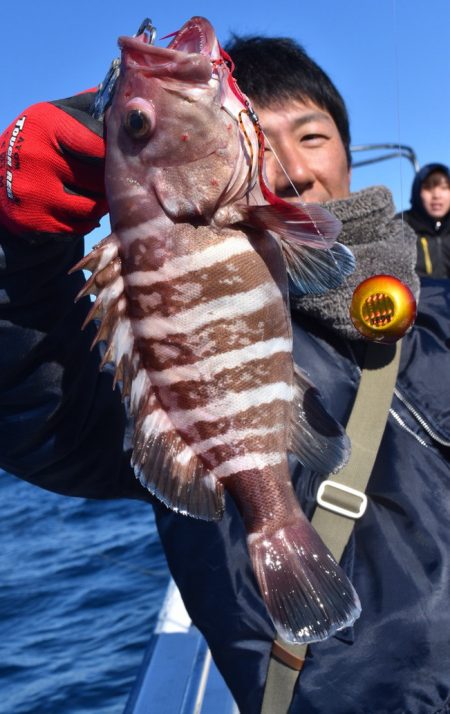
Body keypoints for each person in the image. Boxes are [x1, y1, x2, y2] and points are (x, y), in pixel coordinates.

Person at [1, 32, 449, 714]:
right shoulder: (160, 329)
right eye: (263, 139)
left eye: (313, 136)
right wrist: (17, 255)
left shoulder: (440, 317)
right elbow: (44, 418)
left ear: (350, 153)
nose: (294, 169)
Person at [400, 162, 450, 278]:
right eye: (428, 188)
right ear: (417, 192)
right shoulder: (398, 227)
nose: (436, 195)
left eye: (444, 187)